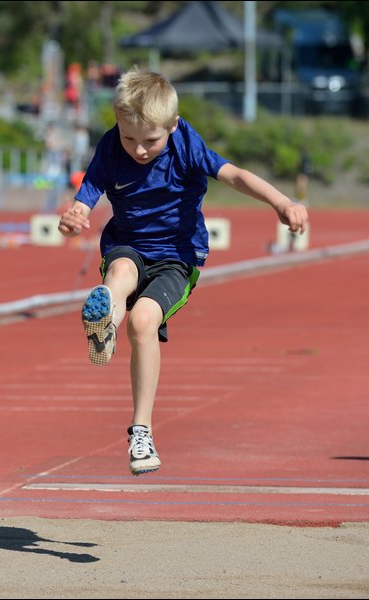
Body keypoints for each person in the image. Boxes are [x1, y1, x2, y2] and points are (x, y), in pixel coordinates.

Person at [57, 69, 308, 476]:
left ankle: (141, 429)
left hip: (178, 255)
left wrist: (281, 202)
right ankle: (104, 323)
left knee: (143, 322)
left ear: (172, 126)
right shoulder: (110, 146)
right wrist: (74, 216)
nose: (138, 150)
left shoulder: (186, 144)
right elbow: (86, 196)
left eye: (150, 141)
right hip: (128, 242)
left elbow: (235, 175)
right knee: (118, 274)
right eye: (129, 138)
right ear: (117, 125)